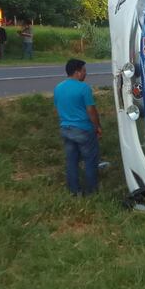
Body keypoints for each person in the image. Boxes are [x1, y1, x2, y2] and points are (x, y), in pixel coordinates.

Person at [54, 59, 102, 195]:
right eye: (84, 71)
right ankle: (91, 191)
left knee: (71, 161)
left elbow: (57, 108)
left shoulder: (58, 88)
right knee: (90, 161)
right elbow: (91, 110)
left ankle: (74, 191)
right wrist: (97, 126)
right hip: (83, 130)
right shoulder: (84, 88)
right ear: (77, 72)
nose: (85, 73)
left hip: (65, 128)